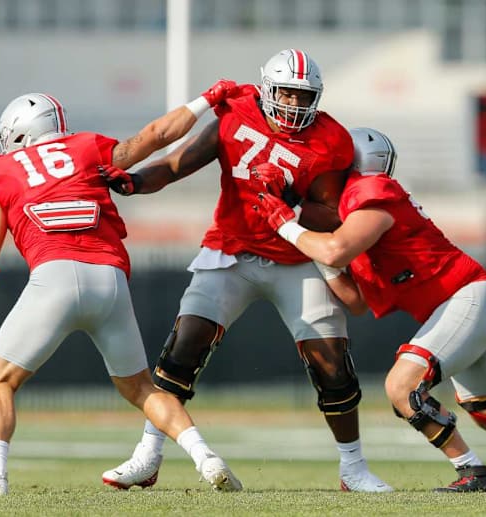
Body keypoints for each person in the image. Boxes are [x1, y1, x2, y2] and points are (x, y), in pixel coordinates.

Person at [253, 126, 486, 493]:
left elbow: (333, 248)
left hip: (465, 298)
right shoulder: (357, 219)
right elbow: (356, 300)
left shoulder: (370, 193)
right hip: (466, 304)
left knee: (401, 386)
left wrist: (287, 224)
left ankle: (474, 473)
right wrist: (310, 244)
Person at [99, 49, 392, 492]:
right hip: (231, 250)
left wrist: (290, 200)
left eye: (303, 96)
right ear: (268, 88)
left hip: (296, 256)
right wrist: (137, 181)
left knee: (332, 361)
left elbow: (333, 214)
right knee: (186, 342)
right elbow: (179, 164)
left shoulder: (331, 139)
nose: (294, 104)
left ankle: (353, 467)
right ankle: (148, 455)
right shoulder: (235, 113)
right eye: (287, 93)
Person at [0, 84, 245, 497]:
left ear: (18, 134)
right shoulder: (86, 148)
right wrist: (208, 99)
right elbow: (156, 136)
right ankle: (205, 456)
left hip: (52, 279)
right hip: (110, 279)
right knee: (142, 389)